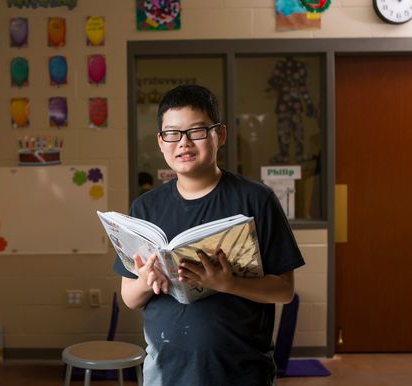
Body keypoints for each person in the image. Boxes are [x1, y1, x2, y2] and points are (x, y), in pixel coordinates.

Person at [113, 84, 305, 385]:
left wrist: (227, 283)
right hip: (166, 373)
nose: (184, 143)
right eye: (172, 133)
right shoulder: (145, 208)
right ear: (161, 142)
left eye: (197, 131)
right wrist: (147, 282)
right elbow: (130, 297)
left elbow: (283, 290)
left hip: (241, 373)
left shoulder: (256, 200)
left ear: (220, 135)